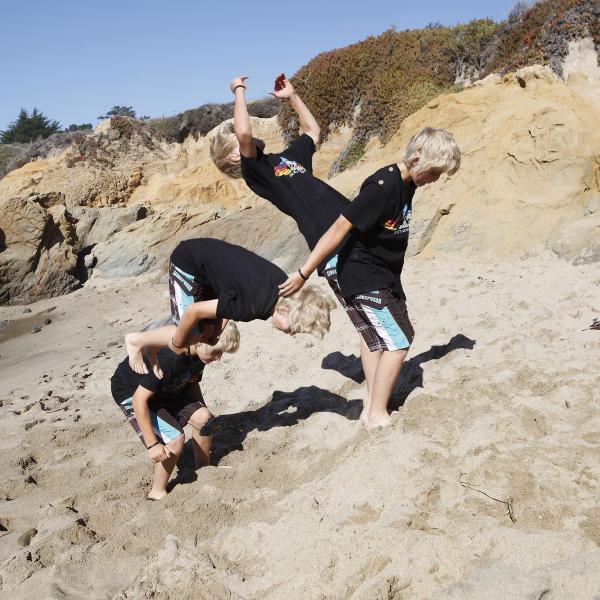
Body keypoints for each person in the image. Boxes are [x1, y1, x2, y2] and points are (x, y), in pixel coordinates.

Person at [278, 127, 461, 429]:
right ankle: (376, 413)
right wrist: (303, 272)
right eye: (435, 172)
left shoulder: (406, 183)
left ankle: (370, 405)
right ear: (416, 159)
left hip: (381, 274)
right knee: (400, 341)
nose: (435, 179)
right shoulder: (382, 187)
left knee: (375, 340)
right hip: (361, 275)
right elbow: (339, 228)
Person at [211, 74, 350, 308]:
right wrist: (238, 90)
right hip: (330, 243)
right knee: (371, 320)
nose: (248, 135)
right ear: (237, 156)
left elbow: (312, 132)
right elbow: (244, 134)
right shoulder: (256, 172)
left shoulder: (283, 159)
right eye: (239, 138)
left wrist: (292, 96)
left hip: (350, 225)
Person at [125, 238, 335, 374]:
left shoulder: (282, 286)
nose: (291, 334)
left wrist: (216, 329)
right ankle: (137, 340)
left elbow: (232, 297)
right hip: (189, 262)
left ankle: (152, 348)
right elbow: (193, 311)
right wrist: (175, 346)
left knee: (206, 334)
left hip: (210, 269)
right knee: (191, 335)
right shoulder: (251, 306)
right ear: (285, 310)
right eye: (294, 329)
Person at [111, 322, 240, 500]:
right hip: (132, 391)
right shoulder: (170, 358)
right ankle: (157, 491)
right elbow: (138, 400)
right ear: (202, 340)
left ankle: (204, 469)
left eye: (222, 353)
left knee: (205, 420)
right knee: (175, 439)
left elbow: (190, 382)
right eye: (217, 351)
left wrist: (204, 410)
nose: (218, 358)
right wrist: (152, 444)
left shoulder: (200, 354)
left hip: (163, 387)